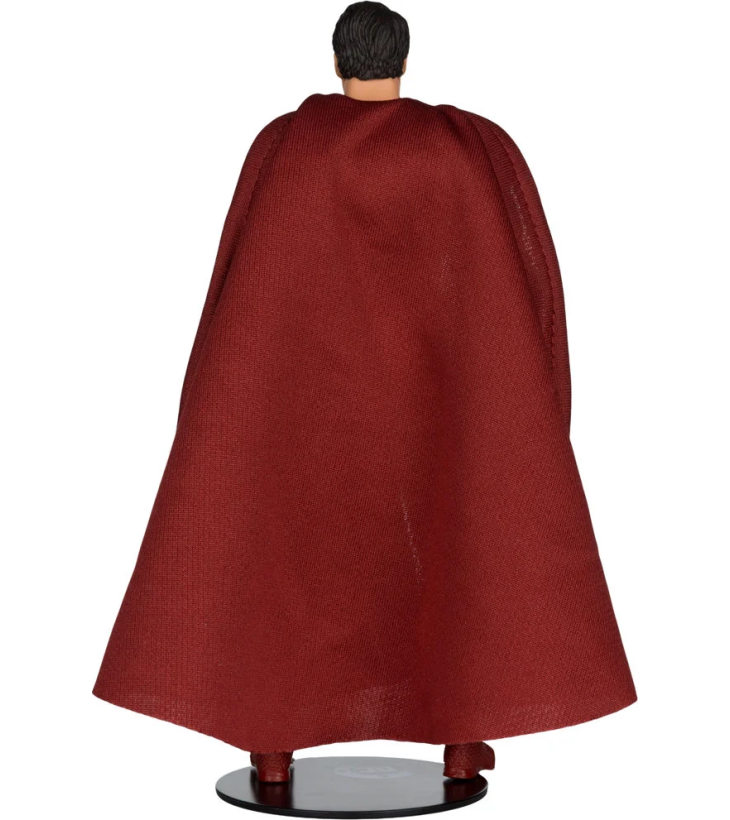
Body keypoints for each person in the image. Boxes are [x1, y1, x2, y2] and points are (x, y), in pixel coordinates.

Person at [92, 1, 637, 787]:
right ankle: (460, 744)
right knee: (461, 538)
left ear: (336, 61)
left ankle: (272, 752)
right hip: (441, 404)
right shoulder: (460, 154)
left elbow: (236, 292)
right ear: (403, 62)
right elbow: (519, 285)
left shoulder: (288, 148)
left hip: (300, 407)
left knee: (281, 553)